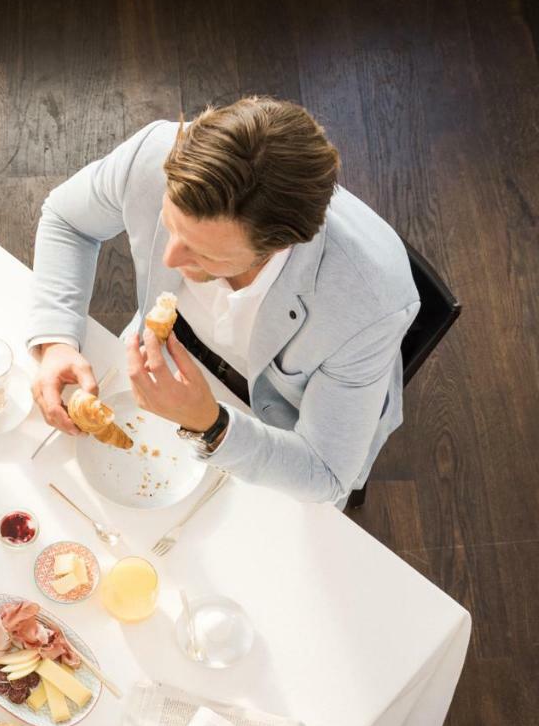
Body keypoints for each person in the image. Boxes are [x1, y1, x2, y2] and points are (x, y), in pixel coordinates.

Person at [29, 97, 419, 506]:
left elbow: (326, 472)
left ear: (278, 246)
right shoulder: (153, 156)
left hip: (277, 433)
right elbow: (66, 220)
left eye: (204, 254)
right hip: (156, 368)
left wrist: (210, 425)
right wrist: (56, 340)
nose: (169, 259)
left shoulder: (370, 304)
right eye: (170, 224)